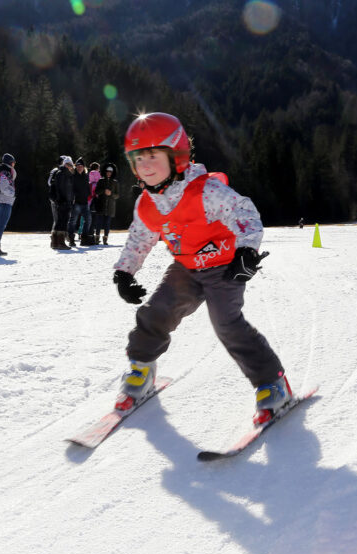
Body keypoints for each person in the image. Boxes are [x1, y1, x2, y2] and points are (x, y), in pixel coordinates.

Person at [111, 112, 291, 425]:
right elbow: (139, 239)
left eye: (153, 155)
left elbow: (243, 211)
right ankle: (141, 368)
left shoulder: (205, 191)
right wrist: (125, 272)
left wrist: (246, 251)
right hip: (187, 267)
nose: (145, 166)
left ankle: (273, 384)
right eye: (138, 158)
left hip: (225, 266)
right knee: (157, 312)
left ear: (177, 157)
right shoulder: (147, 204)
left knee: (227, 324)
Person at [0, 152, 16, 256]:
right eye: (13, 162)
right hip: (4, 201)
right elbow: (4, 186)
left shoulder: (1, 170)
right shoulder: (6, 171)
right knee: (0, 226)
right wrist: (12, 193)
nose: (14, 164)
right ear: (10, 162)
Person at [48, 155, 75, 249]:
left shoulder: (63, 173)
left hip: (63, 201)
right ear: (64, 164)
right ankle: (61, 243)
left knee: (59, 221)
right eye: (68, 164)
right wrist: (61, 200)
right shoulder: (63, 173)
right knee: (62, 221)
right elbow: (61, 189)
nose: (70, 166)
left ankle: (55, 242)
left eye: (71, 165)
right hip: (63, 201)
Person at [92, 163, 119, 244]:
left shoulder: (115, 182)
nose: (109, 173)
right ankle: (97, 237)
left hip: (110, 206)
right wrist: (104, 191)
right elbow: (96, 191)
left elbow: (117, 195)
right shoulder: (101, 180)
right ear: (105, 171)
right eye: (107, 171)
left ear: (113, 172)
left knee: (107, 223)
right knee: (99, 223)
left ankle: (105, 239)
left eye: (110, 172)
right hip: (101, 205)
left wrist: (111, 194)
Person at [70, 158, 93, 245]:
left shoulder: (86, 176)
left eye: (81, 166)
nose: (80, 168)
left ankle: (84, 238)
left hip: (85, 202)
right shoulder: (73, 176)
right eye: (78, 166)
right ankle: (71, 239)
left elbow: (87, 188)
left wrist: (88, 194)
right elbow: (71, 189)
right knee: (73, 221)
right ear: (76, 167)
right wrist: (74, 197)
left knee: (88, 219)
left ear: (84, 167)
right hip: (76, 202)